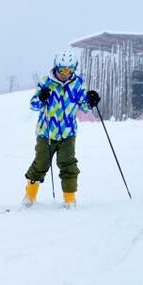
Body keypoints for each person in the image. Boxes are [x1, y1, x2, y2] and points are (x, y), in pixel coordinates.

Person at [22, 49, 100, 208]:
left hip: (68, 132)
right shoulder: (46, 82)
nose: (65, 73)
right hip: (47, 132)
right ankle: (30, 195)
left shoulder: (77, 84)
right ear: (56, 67)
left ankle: (70, 198)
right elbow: (34, 105)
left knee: (68, 163)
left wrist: (91, 100)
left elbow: (84, 107)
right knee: (41, 164)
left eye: (69, 70)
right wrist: (41, 97)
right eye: (62, 69)